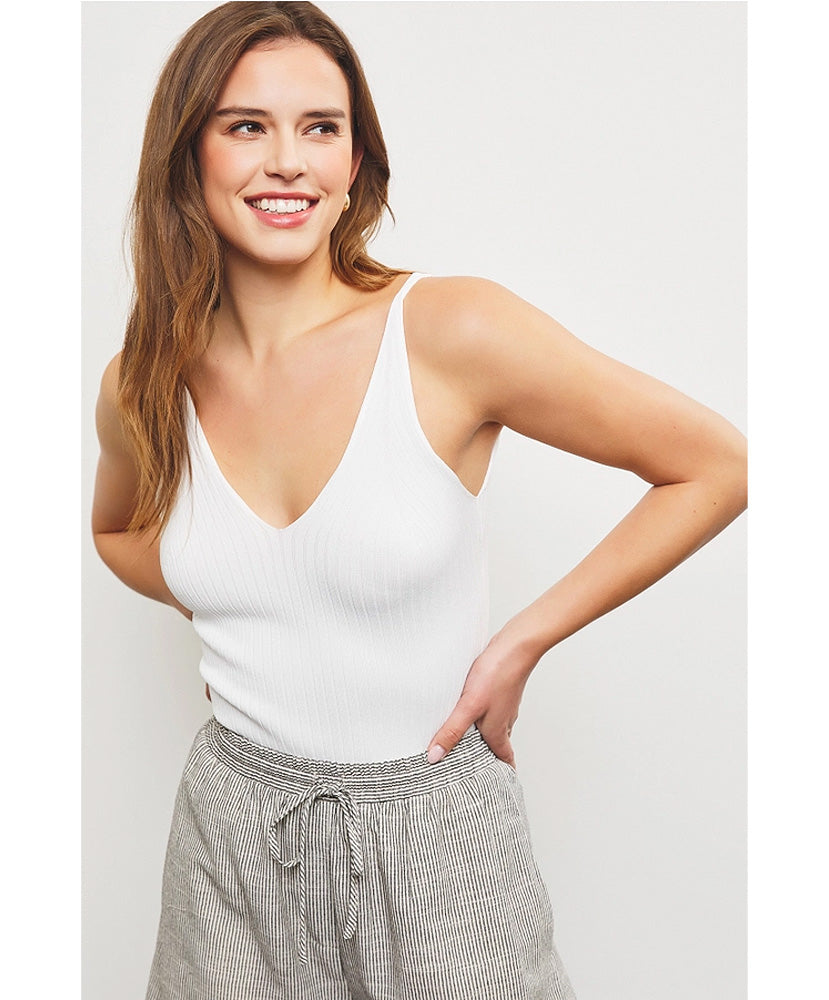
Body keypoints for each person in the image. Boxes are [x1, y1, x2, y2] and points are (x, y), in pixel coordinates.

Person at [91, 2, 747, 998]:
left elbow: (715, 466)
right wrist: (240, 592)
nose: (287, 162)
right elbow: (115, 529)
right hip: (230, 834)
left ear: (356, 160)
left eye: (321, 127)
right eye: (245, 126)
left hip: (437, 828)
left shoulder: (449, 331)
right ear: (188, 154)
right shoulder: (143, 379)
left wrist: (521, 642)